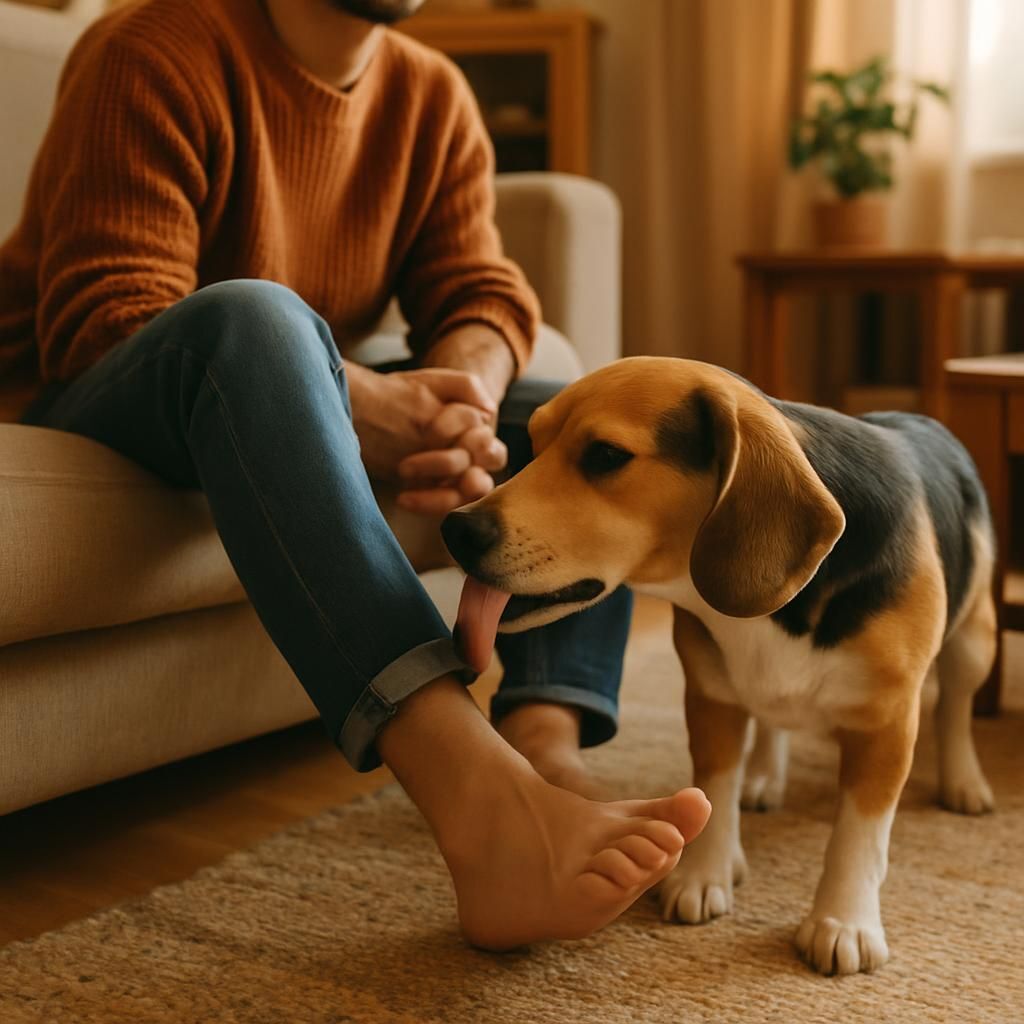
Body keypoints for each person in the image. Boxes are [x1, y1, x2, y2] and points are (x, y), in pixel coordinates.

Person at [0, 0, 710, 949]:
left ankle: (545, 743)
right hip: (91, 391)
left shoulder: (430, 94)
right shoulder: (155, 45)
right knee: (257, 319)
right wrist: (361, 403)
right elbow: (107, 319)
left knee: (565, 411)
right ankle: (482, 811)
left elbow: (479, 291)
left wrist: (460, 400)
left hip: (279, 390)